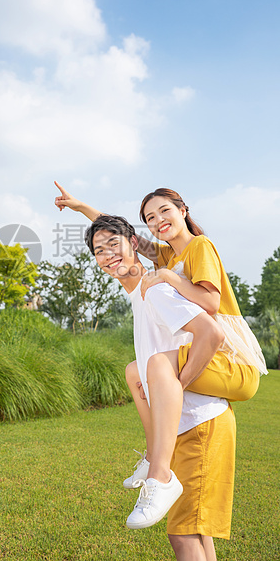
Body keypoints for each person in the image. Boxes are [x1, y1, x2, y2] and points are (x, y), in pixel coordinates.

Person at [54, 182, 266, 560]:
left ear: (183, 210)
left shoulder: (192, 254)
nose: (158, 221)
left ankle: (159, 473)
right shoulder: (165, 258)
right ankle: (156, 457)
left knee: (154, 366)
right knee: (137, 371)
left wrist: (168, 279)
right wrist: (83, 209)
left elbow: (211, 308)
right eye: (150, 217)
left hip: (232, 360)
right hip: (205, 387)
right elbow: (120, 240)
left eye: (165, 211)